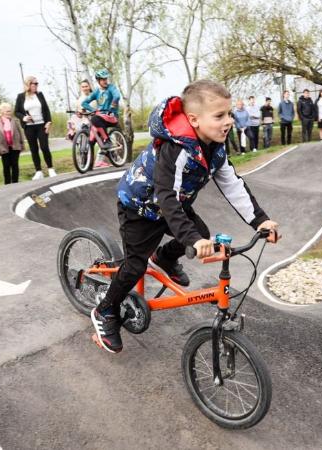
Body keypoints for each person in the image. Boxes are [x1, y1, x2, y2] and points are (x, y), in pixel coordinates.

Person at [93, 80, 281, 353]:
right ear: (194, 119)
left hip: (172, 206)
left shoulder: (215, 148)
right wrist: (191, 238)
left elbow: (233, 185)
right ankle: (105, 311)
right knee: (135, 266)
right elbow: (166, 197)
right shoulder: (176, 149)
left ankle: (164, 258)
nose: (228, 121)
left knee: (200, 234)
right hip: (141, 207)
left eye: (229, 114)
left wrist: (260, 220)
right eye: (219, 116)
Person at [15, 76, 55, 180]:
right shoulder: (21, 96)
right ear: (29, 85)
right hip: (29, 127)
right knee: (34, 149)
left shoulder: (40, 94)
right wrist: (23, 118)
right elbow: (17, 111)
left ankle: (50, 168)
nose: (37, 85)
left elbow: (46, 109)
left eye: (37, 83)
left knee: (44, 147)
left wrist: (49, 122)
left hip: (41, 125)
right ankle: (38, 171)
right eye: (35, 83)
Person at [81, 69, 122, 163]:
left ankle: (107, 140)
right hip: (101, 118)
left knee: (94, 119)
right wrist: (93, 110)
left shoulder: (111, 88)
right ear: (98, 81)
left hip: (112, 116)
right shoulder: (96, 92)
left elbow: (117, 96)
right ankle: (87, 164)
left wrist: (113, 105)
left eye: (106, 79)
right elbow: (84, 103)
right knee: (91, 139)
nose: (105, 81)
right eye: (103, 79)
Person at [0, 102, 25, 184]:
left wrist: (22, 145)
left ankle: (15, 183)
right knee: (6, 165)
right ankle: (7, 184)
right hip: (3, 147)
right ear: (2, 112)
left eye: (10, 111)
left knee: (15, 164)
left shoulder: (16, 121)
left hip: (15, 146)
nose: (9, 113)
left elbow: (21, 133)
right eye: (7, 111)